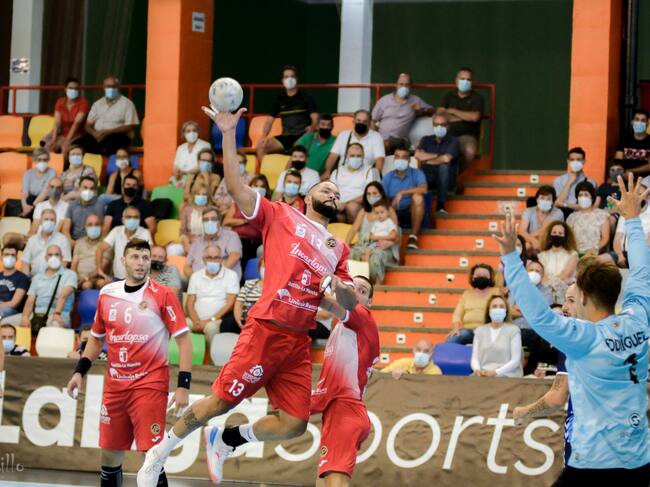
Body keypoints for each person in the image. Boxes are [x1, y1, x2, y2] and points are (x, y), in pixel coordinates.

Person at [137, 106, 357, 486]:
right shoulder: (282, 215)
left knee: (295, 423)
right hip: (267, 327)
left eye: (337, 193)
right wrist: (227, 134)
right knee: (221, 402)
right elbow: (238, 187)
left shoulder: (339, 248)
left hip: (297, 341)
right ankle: (159, 453)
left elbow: (349, 304)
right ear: (307, 196)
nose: (333, 194)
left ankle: (227, 440)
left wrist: (339, 289)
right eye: (326, 188)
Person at [495, 176, 650, 486]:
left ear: (585, 298)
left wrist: (511, 258)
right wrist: (633, 220)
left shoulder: (584, 338)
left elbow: (539, 315)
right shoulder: (639, 319)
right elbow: (642, 272)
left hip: (594, 463)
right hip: (639, 461)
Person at [66, 239, 192, 487]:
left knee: (152, 457)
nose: (141, 263)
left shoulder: (163, 294)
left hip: (149, 385)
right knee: (109, 456)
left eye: (145, 257)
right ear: (123, 261)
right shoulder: (107, 293)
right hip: (115, 388)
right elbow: (96, 339)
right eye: (135, 257)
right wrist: (79, 371)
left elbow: (184, 341)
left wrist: (183, 386)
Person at [310, 275, 380, 487]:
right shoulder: (342, 329)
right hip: (337, 411)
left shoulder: (363, 316)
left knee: (335, 481)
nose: (355, 292)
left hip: (346, 411)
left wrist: (305, 285)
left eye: (362, 290)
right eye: (352, 286)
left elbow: (329, 304)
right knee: (323, 479)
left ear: (369, 302)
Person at [512, 284, 577, 466]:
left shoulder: (573, 340)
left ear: (588, 301)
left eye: (571, 301)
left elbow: (557, 398)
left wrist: (524, 412)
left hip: (586, 439)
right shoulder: (621, 334)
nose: (565, 308)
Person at [256, 65, 318, 163]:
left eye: (292, 76)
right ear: (282, 80)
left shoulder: (306, 98)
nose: (289, 79)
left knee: (297, 150)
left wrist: (312, 127)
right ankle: (265, 171)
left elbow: (315, 118)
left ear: (297, 79)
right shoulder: (279, 100)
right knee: (261, 146)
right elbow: (269, 121)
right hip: (285, 137)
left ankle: (292, 172)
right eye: (286, 77)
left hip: (302, 137)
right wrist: (264, 136)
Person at [186, 245, 240, 343]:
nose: (213, 261)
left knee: (211, 328)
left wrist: (210, 320)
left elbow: (230, 303)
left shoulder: (231, 275)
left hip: (217, 319)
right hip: (195, 319)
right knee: (182, 325)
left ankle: (213, 353)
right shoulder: (195, 276)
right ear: (203, 259)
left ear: (222, 259)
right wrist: (196, 321)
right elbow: (190, 303)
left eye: (216, 258)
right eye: (209, 257)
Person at [371, 72, 434, 153]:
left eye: (407, 85)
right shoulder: (384, 100)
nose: (404, 87)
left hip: (399, 140)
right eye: (401, 84)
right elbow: (372, 120)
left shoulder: (415, 100)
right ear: (396, 85)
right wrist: (373, 136)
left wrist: (422, 110)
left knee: (385, 144)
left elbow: (432, 111)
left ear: (410, 86)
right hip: (381, 137)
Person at [78, 75, 140, 154]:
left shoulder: (127, 104)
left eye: (113, 86)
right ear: (103, 87)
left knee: (109, 145)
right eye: (108, 86)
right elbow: (87, 125)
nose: (111, 89)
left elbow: (131, 125)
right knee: (79, 144)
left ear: (118, 87)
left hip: (118, 136)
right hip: (98, 135)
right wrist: (94, 134)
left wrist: (108, 132)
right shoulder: (97, 104)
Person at [438, 67, 484, 170]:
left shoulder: (477, 98)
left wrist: (453, 111)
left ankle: (458, 175)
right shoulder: (448, 96)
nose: (465, 82)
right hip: (446, 134)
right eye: (462, 79)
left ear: (472, 82)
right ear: (456, 80)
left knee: (469, 151)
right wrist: (465, 117)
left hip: (468, 136)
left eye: (468, 79)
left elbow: (474, 117)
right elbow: (440, 114)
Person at [21, 245, 77, 328]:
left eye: (57, 254)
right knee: (7, 322)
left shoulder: (70, 274)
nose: (53, 257)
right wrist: (25, 317)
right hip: (37, 314)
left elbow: (63, 296)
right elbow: (30, 300)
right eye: (50, 255)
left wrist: (57, 313)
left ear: (62, 258)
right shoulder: (37, 277)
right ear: (46, 258)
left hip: (60, 313)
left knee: (54, 324)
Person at [414, 112, 460, 212]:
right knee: (417, 173)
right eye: (436, 124)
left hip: (446, 179)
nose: (439, 127)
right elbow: (417, 155)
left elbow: (446, 159)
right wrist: (438, 155)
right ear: (433, 125)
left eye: (442, 125)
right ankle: (418, 207)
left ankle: (441, 206)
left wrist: (426, 160)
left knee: (443, 167)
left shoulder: (453, 141)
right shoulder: (425, 139)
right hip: (427, 177)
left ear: (448, 126)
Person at [383, 146, 427, 249]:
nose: (400, 160)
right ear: (394, 159)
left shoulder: (417, 173)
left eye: (404, 157)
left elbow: (423, 189)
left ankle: (413, 237)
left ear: (409, 160)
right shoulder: (388, 177)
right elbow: (382, 198)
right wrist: (390, 206)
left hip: (410, 211)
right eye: (397, 157)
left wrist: (402, 193)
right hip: (393, 212)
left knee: (418, 197)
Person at [447, 263, 501, 344]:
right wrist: (456, 328)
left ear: (490, 278)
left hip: (488, 330)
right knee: (452, 340)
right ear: (472, 277)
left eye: (484, 275)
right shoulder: (466, 294)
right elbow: (457, 314)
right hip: (468, 331)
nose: (481, 277)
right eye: (478, 275)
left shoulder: (496, 292)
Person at [470, 295, 523, 377]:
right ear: (489, 310)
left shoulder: (514, 330)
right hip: (483, 374)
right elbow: (475, 358)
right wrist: (477, 370)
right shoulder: (479, 331)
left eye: (501, 306)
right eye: (494, 306)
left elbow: (515, 361)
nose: (498, 309)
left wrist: (496, 372)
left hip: (507, 375)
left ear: (506, 311)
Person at [323, 109, 386, 178]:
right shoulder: (343, 135)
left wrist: (376, 176)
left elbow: (380, 159)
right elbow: (333, 156)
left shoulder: (376, 137)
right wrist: (327, 172)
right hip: (342, 174)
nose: (361, 123)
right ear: (353, 121)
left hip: (364, 176)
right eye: (358, 120)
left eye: (364, 121)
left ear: (369, 124)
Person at [184, 207, 243, 279]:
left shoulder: (230, 236)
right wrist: (199, 278)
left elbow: (235, 256)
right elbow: (186, 267)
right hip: (199, 282)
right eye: (206, 220)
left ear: (219, 221)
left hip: (223, 280)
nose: (209, 222)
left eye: (213, 219)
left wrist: (215, 276)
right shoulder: (197, 242)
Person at [223, 176, 269, 267]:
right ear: (250, 187)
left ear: (266, 190)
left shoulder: (268, 206)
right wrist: (246, 220)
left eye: (262, 186)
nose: (259, 188)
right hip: (236, 238)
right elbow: (226, 221)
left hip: (254, 242)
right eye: (256, 185)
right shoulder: (238, 202)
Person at [97, 206, 153, 281]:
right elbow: (100, 249)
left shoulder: (144, 233)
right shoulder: (116, 231)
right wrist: (99, 270)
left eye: (136, 217)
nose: (132, 220)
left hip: (137, 279)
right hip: (118, 278)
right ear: (123, 220)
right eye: (129, 217)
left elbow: (150, 254)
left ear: (139, 220)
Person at [603, 181, 650, 268]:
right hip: (623, 254)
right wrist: (620, 255)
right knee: (599, 260)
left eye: (640, 194)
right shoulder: (625, 212)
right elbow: (617, 239)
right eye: (634, 195)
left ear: (648, 197)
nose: (636, 198)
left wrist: (636, 257)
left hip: (644, 255)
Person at [329, 143, 380, 223]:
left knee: (351, 207)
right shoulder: (337, 171)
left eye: (359, 156)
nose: (355, 158)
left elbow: (371, 194)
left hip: (360, 205)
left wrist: (346, 204)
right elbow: (330, 192)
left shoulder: (370, 171)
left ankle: (356, 230)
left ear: (363, 156)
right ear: (347, 156)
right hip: (339, 205)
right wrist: (337, 204)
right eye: (352, 156)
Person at [350, 201, 398, 284]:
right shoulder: (376, 223)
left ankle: (375, 279)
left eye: (382, 212)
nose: (380, 215)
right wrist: (374, 237)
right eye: (377, 213)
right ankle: (366, 267)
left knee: (371, 251)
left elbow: (393, 236)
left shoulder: (389, 222)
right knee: (366, 250)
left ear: (388, 213)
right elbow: (371, 235)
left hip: (382, 242)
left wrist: (379, 238)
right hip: (374, 242)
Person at [42, 77, 90, 154]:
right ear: (65, 89)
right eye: (70, 88)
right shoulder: (60, 102)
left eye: (76, 88)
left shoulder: (83, 103)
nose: (73, 90)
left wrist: (67, 140)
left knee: (65, 148)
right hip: (61, 133)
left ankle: (63, 162)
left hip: (77, 135)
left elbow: (76, 124)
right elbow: (57, 122)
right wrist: (54, 140)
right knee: (48, 147)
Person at [538, 221, 578, 303]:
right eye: (554, 232)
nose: (557, 235)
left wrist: (551, 281)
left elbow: (565, 275)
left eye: (560, 233)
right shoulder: (542, 255)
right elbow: (542, 276)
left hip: (565, 290)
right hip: (546, 289)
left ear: (565, 236)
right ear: (550, 235)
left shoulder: (572, 254)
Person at [22, 209, 72, 276]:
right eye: (46, 219)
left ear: (55, 222)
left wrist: (54, 278)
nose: (49, 222)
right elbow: (25, 262)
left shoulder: (63, 240)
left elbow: (64, 262)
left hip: (54, 277)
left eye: (52, 220)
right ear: (40, 222)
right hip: (34, 277)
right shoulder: (32, 240)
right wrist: (25, 279)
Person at [566, 181, 610, 256]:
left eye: (586, 195)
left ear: (592, 197)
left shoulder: (602, 215)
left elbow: (605, 238)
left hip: (594, 254)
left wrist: (594, 249)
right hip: (575, 254)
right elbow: (568, 239)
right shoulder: (572, 217)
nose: (583, 197)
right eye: (580, 195)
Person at [519, 185, 565, 251]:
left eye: (548, 199)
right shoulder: (529, 211)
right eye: (542, 198)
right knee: (526, 245)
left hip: (550, 244)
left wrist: (529, 237)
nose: (545, 201)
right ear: (537, 199)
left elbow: (544, 230)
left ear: (553, 201)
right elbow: (521, 232)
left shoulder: (558, 213)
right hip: (531, 244)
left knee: (526, 246)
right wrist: (533, 240)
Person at [61, 176, 105, 243]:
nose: (88, 191)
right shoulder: (72, 205)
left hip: (91, 241)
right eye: (85, 187)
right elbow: (65, 229)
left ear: (95, 191)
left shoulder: (99, 205)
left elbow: (101, 228)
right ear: (79, 188)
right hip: (73, 240)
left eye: (91, 188)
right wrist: (70, 241)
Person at [553, 147, 598, 213]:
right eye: (572, 159)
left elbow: (589, 206)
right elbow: (557, 203)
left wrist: (565, 205)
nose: (575, 162)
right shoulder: (559, 180)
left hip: (581, 215)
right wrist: (569, 182)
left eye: (578, 159)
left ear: (584, 161)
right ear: (568, 161)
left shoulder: (591, 182)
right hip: (562, 215)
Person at [228, 258, 265, 332]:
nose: (266, 269)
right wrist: (239, 320)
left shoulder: (278, 288)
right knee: (226, 324)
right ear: (259, 268)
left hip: (262, 322)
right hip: (244, 320)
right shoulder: (249, 284)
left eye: (270, 266)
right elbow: (239, 303)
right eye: (264, 266)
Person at [72, 214, 106, 291]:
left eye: (96, 224)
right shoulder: (79, 242)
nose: (93, 227)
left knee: (96, 284)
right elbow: (74, 265)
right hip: (80, 278)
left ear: (101, 226)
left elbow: (103, 266)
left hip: (98, 277)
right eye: (90, 225)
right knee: (85, 285)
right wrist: (73, 279)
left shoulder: (106, 243)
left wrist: (86, 278)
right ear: (85, 226)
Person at [213, 150, 251, 215]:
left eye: (241, 162)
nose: (238, 165)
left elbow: (249, 201)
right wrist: (223, 206)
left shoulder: (251, 178)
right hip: (224, 210)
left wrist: (230, 206)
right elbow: (217, 198)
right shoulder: (226, 178)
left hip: (242, 212)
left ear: (245, 163)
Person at [21, 148, 57, 218]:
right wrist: (24, 204)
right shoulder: (28, 173)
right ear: (34, 160)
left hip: (45, 200)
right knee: (28, 200)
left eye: (45, 160)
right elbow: (25, 192)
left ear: (48, 160)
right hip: (30, 200)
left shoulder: (52, 172)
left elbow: (45, 192)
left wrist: (32, 207)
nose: (42, 162)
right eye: (39, 160)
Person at [614, 108, 650, 174]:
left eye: (643, 120)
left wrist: (631, 171)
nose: (639, 122)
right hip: (625, 176)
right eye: (637, 119)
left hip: (645, 178)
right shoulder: (624, 139)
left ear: (647, 123)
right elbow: (617, 161)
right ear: (632, 122)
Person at [0, 245, 30, 324]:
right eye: (6, 254)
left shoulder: (22, 278)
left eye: (12, 255)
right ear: (1, 257)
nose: (9, 257)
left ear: (16, 258)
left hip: (9, 310)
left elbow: (14, 303)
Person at [179, 183, 212, 254]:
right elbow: (182, 232)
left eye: (204, 194)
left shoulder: (213, 211)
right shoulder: (187, 210)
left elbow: (217, 233)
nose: (201, 196)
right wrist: (186, 243)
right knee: (173, 250)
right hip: (189, 243)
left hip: (207, 244)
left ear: (208, 196)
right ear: (194, 196)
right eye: (198, 194)